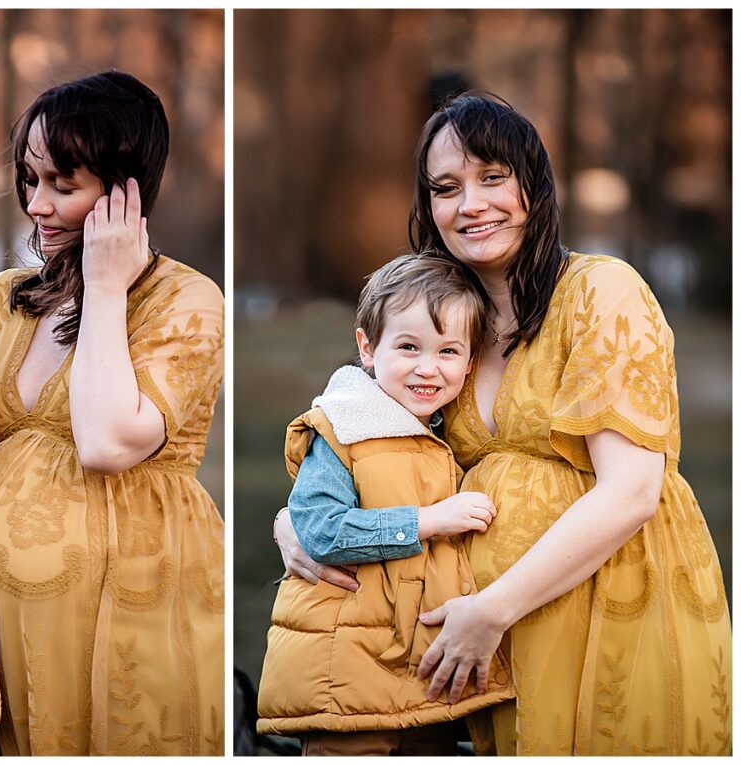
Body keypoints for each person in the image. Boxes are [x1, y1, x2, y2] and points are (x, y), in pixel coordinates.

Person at [274, 93, 731, 755]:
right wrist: (291, 521)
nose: (471, 204)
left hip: (605, 605)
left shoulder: (601, 292)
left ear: (533, 186)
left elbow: (631, 490)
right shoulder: (436, 325)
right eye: (447, 187)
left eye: (492, 177)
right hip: (475, 638)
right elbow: (353, 437)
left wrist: (493, 609)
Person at [0, 71, 224, 755]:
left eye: (63, 184)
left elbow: (107, 442)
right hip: (9, 638)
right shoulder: (1, 299)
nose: (37, 205)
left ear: (126, 191)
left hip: (134, 616)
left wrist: (107, 285)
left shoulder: (185, 300)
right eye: (31, 179)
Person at [256, 252, 514, 756]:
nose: (427, 368)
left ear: (470, 359)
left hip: (420, 669)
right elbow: (322, 531)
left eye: (448, 351)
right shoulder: (343, 428)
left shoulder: (440, 432)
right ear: (367, 348)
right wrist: (428, 521)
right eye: (409, 347)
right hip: (345, 671)